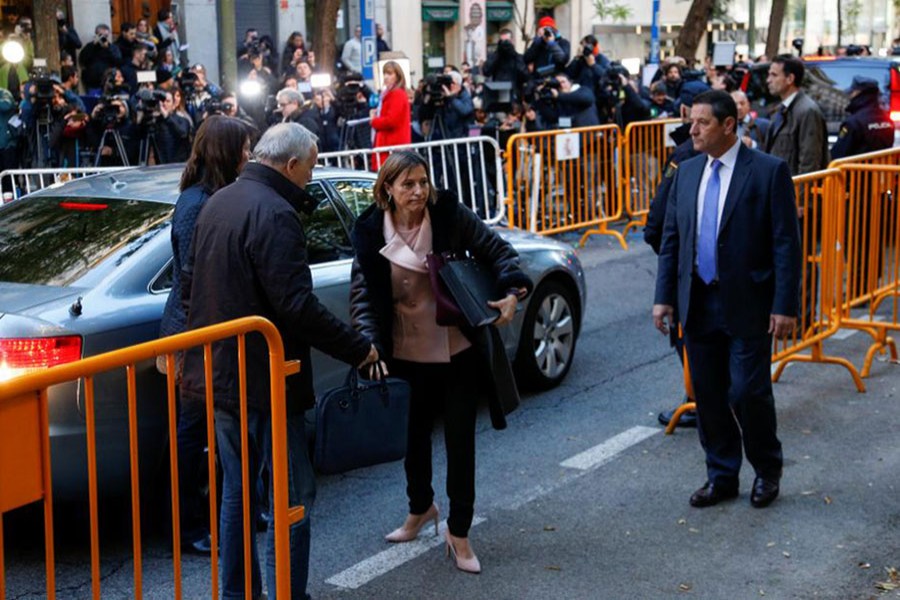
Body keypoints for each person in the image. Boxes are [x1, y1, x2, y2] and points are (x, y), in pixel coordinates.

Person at [180, 122, 379, 599]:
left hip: (220, 374)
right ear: (290, 165)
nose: (311, 178)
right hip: (265, 381)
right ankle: (287, 593)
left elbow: (194, 284)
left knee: (236, 490)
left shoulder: (221, 199)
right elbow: (296, 305)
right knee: (291, 498)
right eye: (309, 168)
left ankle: (237, 592)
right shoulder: (276, 212)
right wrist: (359, 348)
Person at [349, 150, 532, 574]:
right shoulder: (370, 231)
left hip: (456, 351)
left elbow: (497, 250)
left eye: (423, 182)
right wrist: (368, 343)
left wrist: (512, 291)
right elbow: (363, 296)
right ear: (387, 190)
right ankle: (420, 509)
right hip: (404, 354)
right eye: (408, 184)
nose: (418, 191)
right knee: (413, 442)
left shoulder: (448, 215)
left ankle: (460, 532)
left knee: (460, 443)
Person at [652, 90, 801, 509]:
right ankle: (721, 475)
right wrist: (664, 297)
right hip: (697, 301)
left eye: (702, 123)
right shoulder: (687, 171)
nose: (692, 130)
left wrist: (785, 305)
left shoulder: (768, 171)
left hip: (748, 301)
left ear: (729, 125)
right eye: (691, 122)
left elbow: (786, 243)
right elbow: (672, 239)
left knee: (748, 392)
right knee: (709, 394)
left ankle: (766, 470)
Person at [158, 116, 250, 554]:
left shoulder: (211, 196)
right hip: (194, 333)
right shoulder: (197, 202)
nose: (248, 156)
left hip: (206, 331)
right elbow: (193, 275)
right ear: (226, 153)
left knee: (219, 431)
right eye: (244, 148)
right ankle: (189, 527)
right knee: (194, 433)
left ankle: (233, 510)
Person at [644, 79, 709, 430]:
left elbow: (660, 221)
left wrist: (671, 259)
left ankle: (700, 400)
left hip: (693, 267)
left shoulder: (686, 155)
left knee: (690, 336)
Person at [764, 54, 828, 175]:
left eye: (774, 75)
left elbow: (809, 162)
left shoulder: (807, 111)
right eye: (769, 74)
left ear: (790, 79)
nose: (768, 80)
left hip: (793, 188)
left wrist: (800, 193)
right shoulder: (779, 109)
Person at [830, 75, 893, 160]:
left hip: (856, 171)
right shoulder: (886, 120)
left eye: (852, 92)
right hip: (881, 171)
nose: (850, 95)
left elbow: (838, 153)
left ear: (858, 93)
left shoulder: (853, 123)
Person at [370, 60, 411, 169]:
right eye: (384, 74)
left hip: (392, 147)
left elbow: (391, 120)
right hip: (389, 147)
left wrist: (374, 120)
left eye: (390, 74)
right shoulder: (389, 94)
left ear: (397, 76)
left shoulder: (397, 94)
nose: (386, 77)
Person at [482, 28, 527, 99]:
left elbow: (525, 75)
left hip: (514, 94)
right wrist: (498, 52)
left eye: (507, 41)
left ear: (512, 41)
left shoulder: (518, 57)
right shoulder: (495, 57)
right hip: (498, 93)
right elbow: (486, 71)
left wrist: (513, 53)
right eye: (502, 41)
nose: (505, 44)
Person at [79, 24, 123, 94]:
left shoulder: (112, 48)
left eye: (105, 36)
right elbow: (82, 59)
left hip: (108, 83)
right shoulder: (90, 46)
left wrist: (108, 48)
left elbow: (118, 60)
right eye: (101, 35)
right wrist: (93, 45)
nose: (103, 38)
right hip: (93, 83)